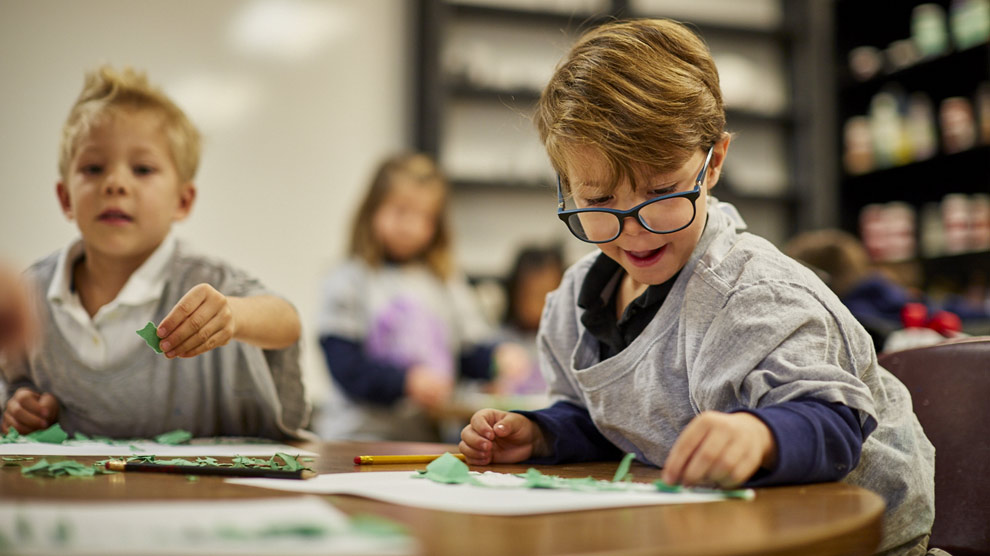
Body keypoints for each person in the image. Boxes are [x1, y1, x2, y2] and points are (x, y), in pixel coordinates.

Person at [459, 19, 934, 555]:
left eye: (661, 190)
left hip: (862, 544)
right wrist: (544, 433)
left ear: (714, 163)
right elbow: (611, 423)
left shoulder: (756, 294)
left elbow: (834, 423)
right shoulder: (573, 304)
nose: (633, 225)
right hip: (722, 536)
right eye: (597, 201)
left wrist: (762, 435)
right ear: (567, 186)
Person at [0, 66, 310, 440]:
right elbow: (12, 383)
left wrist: (233, 315)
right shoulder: (27, 293)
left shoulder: (206, 282)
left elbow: (287, 321)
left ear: (182, 201)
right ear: (65, 198)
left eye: (142, 169)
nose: (115, 184)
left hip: (200, 494)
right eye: (94, 168)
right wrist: (19, 406)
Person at [315, 153, 527, 441]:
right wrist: (405, 382)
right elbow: (344, 364)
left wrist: (495, 359)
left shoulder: (445, 281)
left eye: (425, 217)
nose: (411, 227)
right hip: (358, 435)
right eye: (401, 211)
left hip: (425, 437)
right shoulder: (349, 278)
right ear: (372, 210)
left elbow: (464, 355)